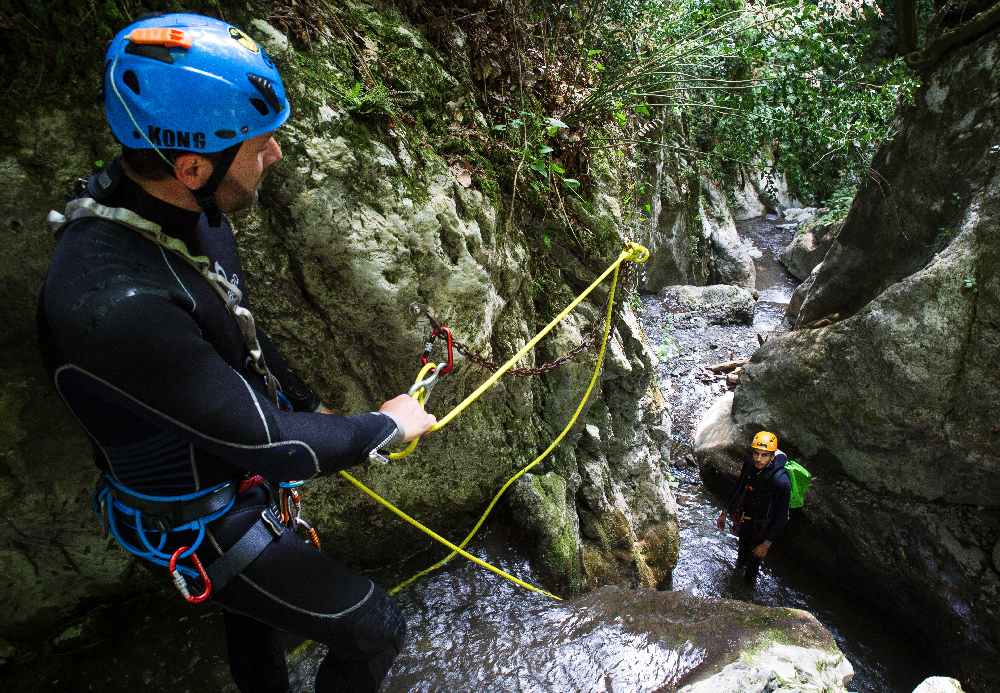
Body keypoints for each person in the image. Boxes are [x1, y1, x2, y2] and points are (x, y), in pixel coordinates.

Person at [37, 13, 435, 693]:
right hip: (195, 517)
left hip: (225, 471)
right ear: (192, 164)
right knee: (375, 627)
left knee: (253, 618)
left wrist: (310, 402)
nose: (275, 154)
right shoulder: (113, 300)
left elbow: (235, 329)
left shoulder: (185, 212)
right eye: (259, 144)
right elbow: (275, 448)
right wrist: (386, 424)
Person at [715, 431, 791, 585]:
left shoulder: (781, 481)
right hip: (747, 517)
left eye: (764, 455)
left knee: (753, 563)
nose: (758, 458)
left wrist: (766, 544)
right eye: (756, 453)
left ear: (772, 457)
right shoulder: (750, 465)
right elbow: (739, 487)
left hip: (764, 526)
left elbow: (783, 516)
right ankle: (736, 580)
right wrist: (724, 511)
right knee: (742, 553)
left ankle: (747, 593)